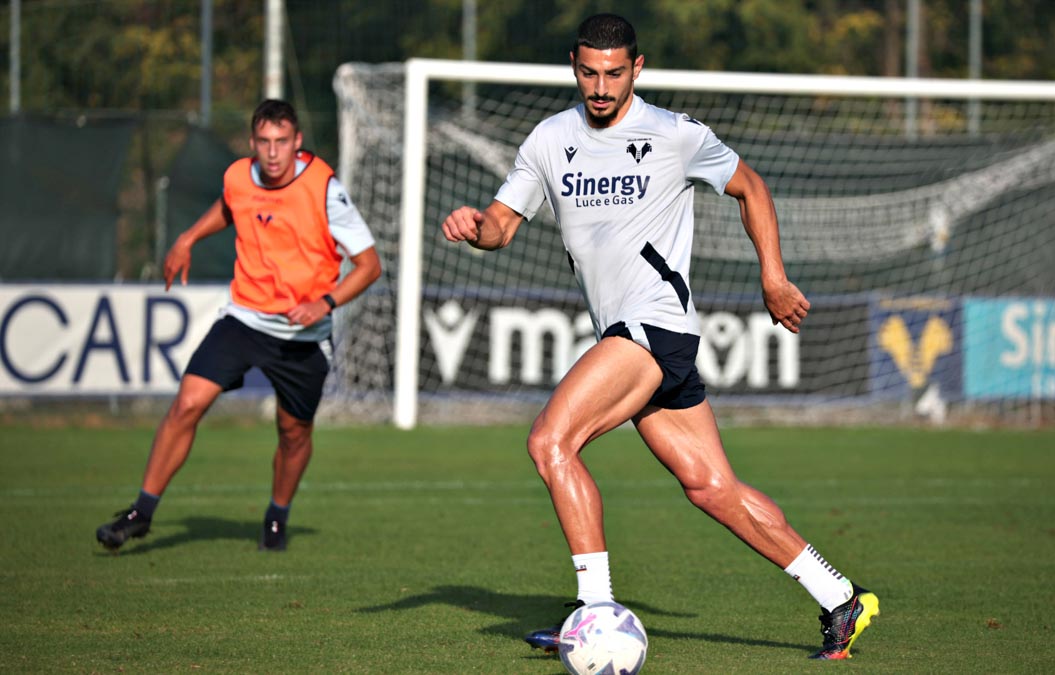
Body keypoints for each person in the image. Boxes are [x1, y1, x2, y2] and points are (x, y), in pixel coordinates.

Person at [440, 13, 878, 661]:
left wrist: (774, 277)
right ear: (573, 65)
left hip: (653, 324)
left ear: (636, 69)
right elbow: (503, 225)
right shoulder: (549, 139)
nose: (600, 85)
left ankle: (594, 611)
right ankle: (841, 597)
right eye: (589, 71)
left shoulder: (674, 134)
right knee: (711, 487)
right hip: (639, 336)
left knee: (550, 441)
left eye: (614, 72)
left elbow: (750, 186)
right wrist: (475, 225)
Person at [96, 99, 381, 553]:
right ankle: (141, 512)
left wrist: (323, 304)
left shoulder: (324, 188)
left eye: (281, 142)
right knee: (187, 404)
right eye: (264, 142)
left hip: (301, 337)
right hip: (244, 319)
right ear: (253, 143)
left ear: (297, 143)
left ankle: (276, 516)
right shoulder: (237, 176)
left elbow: (369, 266)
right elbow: (231, 206)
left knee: (293, 434)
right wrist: (188, 237)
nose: (272, 152)